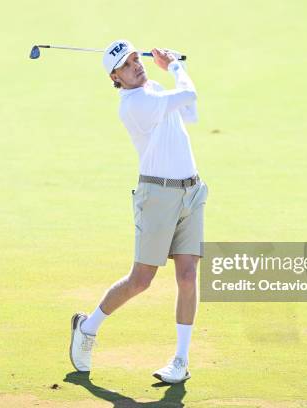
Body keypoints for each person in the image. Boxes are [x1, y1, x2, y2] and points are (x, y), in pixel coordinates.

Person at [69, 39, 208, 384]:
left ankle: (180, 360)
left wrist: (170, 78)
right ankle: (87, 328)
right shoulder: (136, 104)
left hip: (191, 191)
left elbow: (191, 113)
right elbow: (189, 97)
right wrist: (175, 66)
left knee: (188, 277)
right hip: (157, 195)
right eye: (128, 65)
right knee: (141, 280)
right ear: (115, 77)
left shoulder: (153, 90)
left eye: (136, 58)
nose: (137, 65)